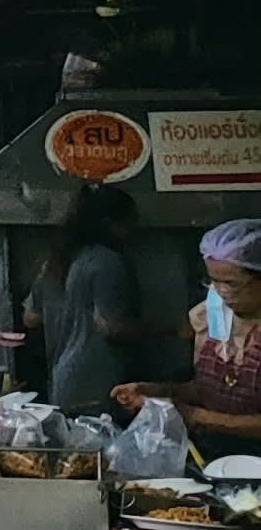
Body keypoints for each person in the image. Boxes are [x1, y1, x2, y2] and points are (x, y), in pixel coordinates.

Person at [114, 219, 261, 458]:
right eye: (213, 281)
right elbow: (208, 389)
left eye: (232, 284)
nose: (221, 293)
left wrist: (196, 416)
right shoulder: (216, 317)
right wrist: (156, 392)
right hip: (213, 456)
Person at [26, 185, 143, 408]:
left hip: (61, 382)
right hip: (98, 386)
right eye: (131, 221)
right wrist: (169, 329)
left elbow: (31, 318)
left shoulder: (55, 262)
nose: (135, 229)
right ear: (112, 224)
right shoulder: (107, 262)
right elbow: (111, 328)